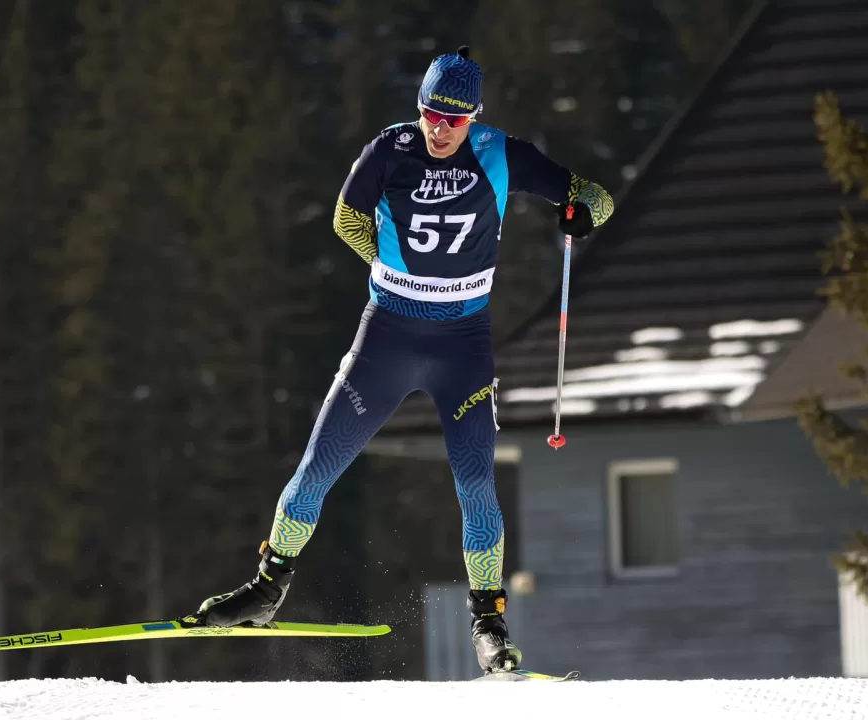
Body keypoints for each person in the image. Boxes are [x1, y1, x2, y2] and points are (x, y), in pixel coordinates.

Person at [191, 45, 614, 673]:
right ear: (418, 108)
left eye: (455, 118)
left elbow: (594, 196)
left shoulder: (501, 153)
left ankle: (489, 622)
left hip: (462, 349)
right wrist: (391, 270)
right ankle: (266, 588)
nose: (440, 130)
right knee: (318, 465)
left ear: (474, 116)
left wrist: (581, 213)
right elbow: (345, 218)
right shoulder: (390, 149)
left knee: (474, 483)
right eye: (431, 115)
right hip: (387, 337)